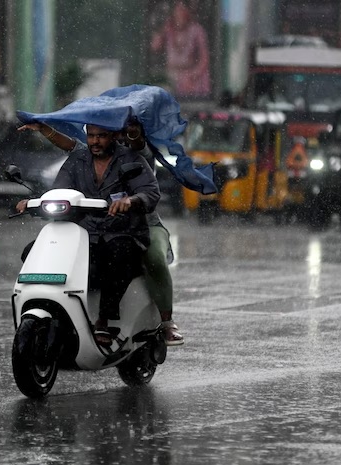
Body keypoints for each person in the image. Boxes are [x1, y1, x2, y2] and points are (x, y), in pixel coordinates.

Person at [19, 120, 185, 346]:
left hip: (130, 227)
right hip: (89, 228)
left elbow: (148, 191)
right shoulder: (79, 158)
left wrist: (132, 200)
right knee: (34, 251)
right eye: (92, 136)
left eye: (102, 136)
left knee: (136, 256)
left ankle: (130, 321)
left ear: (116, 135)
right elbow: (61, 189)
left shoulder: (134, 156)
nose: (96, 141)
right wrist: (35, 202)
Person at [149, 1, 211, 98]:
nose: (180, 13)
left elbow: (205, 59)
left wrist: (193, 75)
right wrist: (162, 26)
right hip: (170, 77)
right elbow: (154, 46)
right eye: (177, 9)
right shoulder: (168, 28)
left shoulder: (197, 30)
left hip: (190, 78)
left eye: (182, 9)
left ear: (188, 12)